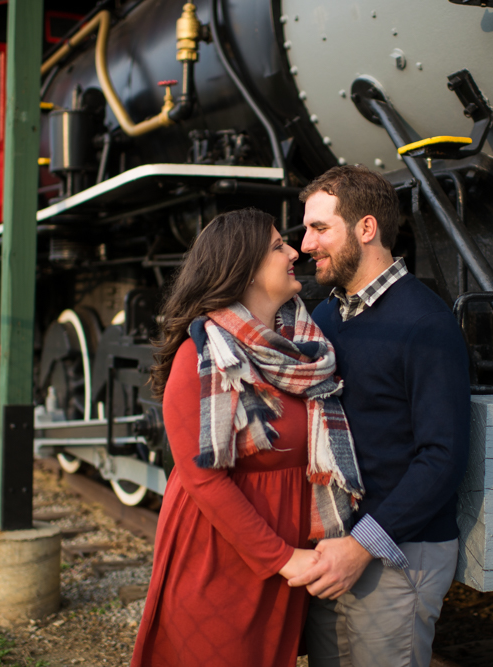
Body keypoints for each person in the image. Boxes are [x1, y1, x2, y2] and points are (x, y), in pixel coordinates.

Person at [131, 208, 364, 667]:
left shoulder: (300, 351)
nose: (294, 251)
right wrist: (282, 558)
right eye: (279, 246)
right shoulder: (199, 356)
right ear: (245, 269)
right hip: (222, 555)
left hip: (282, 555)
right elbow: (203, 481)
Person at [291, 166, 471, 667]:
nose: (306, 244)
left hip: (397, 553)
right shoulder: (325, 318)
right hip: (334, 551)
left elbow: (443, 456)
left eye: (319, 228)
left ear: (366, 229)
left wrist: (360, 546)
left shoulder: (425, 322)